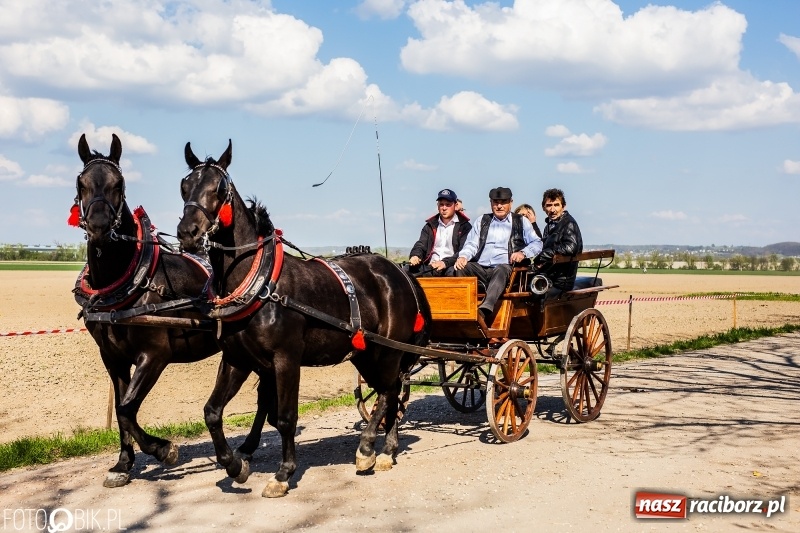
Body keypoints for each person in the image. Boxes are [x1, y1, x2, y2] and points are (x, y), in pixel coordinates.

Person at [455, 187, 542, 324]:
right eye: (496, 202)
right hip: (481, 268)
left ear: (511, 203)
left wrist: (523, 253)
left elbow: (537, 243)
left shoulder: (521, 221)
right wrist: (464, 256)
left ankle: (485, 309)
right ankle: (462, 309)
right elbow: (471, 244)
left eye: (503, 202)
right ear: (491, 203)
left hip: (506, 269)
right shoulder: (482, 221)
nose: (499, 206)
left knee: (501, 269)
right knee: (461, 268)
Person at [408, 188, 472, 276]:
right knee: (406, 270)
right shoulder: (430, 225)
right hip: (431, 266)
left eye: (448, 204)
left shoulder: (465, 226)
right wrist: (415, 255)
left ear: (455, 206)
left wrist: (444, 263)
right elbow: (421, 244)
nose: (444, 208)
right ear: (438, 206)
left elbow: (464, 251)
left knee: (456, 271)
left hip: (451, 266)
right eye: (441, 204)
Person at [532, 188, 583, 294]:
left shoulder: (568, 223)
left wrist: (546, 254)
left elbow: (571, 247)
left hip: (560, 281)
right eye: (549, 205)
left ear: (563, 206)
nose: (552, 209)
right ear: (543, 208)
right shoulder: (549, 226)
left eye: (556, 205)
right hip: (548, 275)